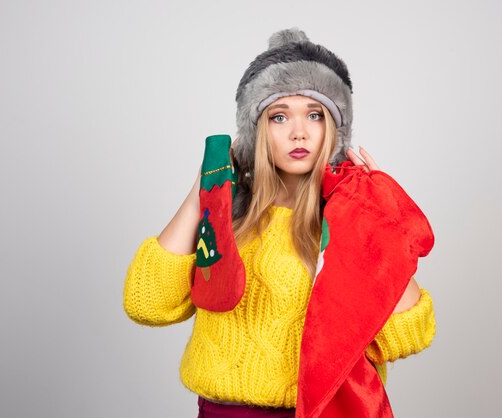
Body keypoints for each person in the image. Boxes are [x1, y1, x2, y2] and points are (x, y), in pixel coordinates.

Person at [123, 28, 435, 418]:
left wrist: (374, 218)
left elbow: (407, 334)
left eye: (315, 115)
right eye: (279, 116)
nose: (298, 132)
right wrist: (207, 187)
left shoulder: (342, 224)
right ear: (257, 129)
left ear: (334, 130)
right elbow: (148, 304)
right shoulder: (229, 217)